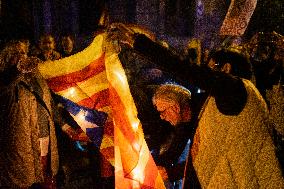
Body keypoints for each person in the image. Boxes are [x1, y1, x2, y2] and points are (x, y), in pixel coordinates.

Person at [107, 24, 284, 188]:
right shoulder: (212, 104)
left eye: (210, 66)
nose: (205, 71)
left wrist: (137, 42)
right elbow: (193, 150)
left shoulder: (236, 90)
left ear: (226, 68)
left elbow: (184, 68)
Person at [0, 40, 88, 188]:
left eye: (23, 52)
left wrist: (65, 126)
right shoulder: (5, 79)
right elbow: (5, 87)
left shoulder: (36, 76)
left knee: (46, 177)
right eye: (16, 53)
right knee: (25, 180)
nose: (22, 56)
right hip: (21, 145)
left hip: (45, 136)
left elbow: (48, 103)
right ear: (8, 57)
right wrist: (18, 71)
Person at [152, 84, 199, 189]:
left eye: (162, 112)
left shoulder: (204, 116)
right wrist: (152, 165)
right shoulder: (184, 121)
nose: (162, 117)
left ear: (176, 107)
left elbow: (202, 159)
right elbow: (173, 151)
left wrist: (170, 173)